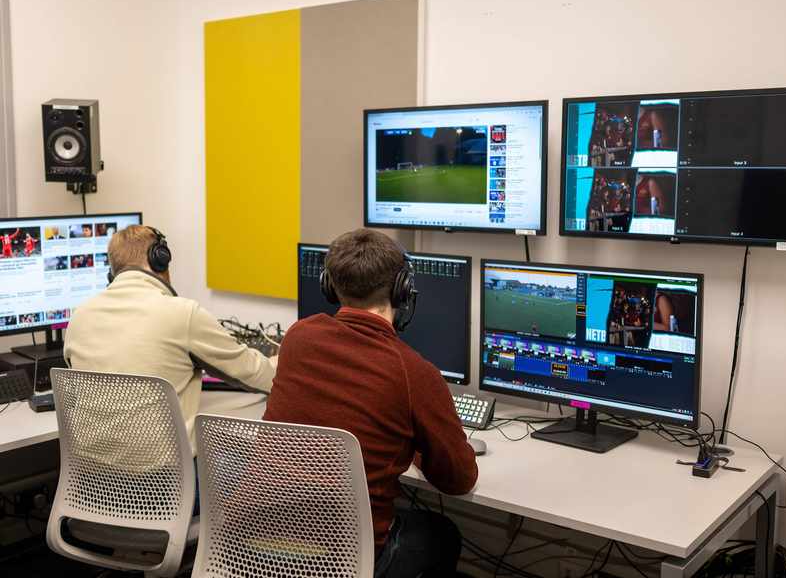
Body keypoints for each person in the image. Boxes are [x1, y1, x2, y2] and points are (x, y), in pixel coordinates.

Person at [265, 228, 478, 578]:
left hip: (255, 542)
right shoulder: (414, 372)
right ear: (402, 289)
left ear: (329, 285)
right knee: (442, 533)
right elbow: (460, 479)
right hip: (339, 557)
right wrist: (417, 444)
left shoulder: (297, 337)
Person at [64, 225, 277, 505]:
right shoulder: (182, 314)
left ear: (112, 272)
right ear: (160, 259)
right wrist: (287, 356)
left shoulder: (79, 317)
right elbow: (260, 376)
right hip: (165, 493)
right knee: (263, 471)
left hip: (92, 490)